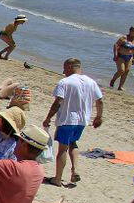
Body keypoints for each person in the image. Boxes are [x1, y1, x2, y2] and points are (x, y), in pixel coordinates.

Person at [42, 58, 103, 188]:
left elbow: (58, 102)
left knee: (63, 149)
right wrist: (99, 117)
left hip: (67, 119)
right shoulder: (91, 82)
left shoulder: (65, 82)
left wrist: (48, 118)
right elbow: (99, 101)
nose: (63, 71)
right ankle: (75, 170)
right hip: (82, 120)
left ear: (70, 66)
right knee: (73, 143)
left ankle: (58, 179)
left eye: (64, 68)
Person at [110, 26, 134, 90]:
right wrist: (115, 55)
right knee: (121, 70)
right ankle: (113, 80)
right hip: (121, 56)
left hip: (129, 57)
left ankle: (120, 86)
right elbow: (115, 45)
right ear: (131, 31)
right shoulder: (124, 38)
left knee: (126, 71)